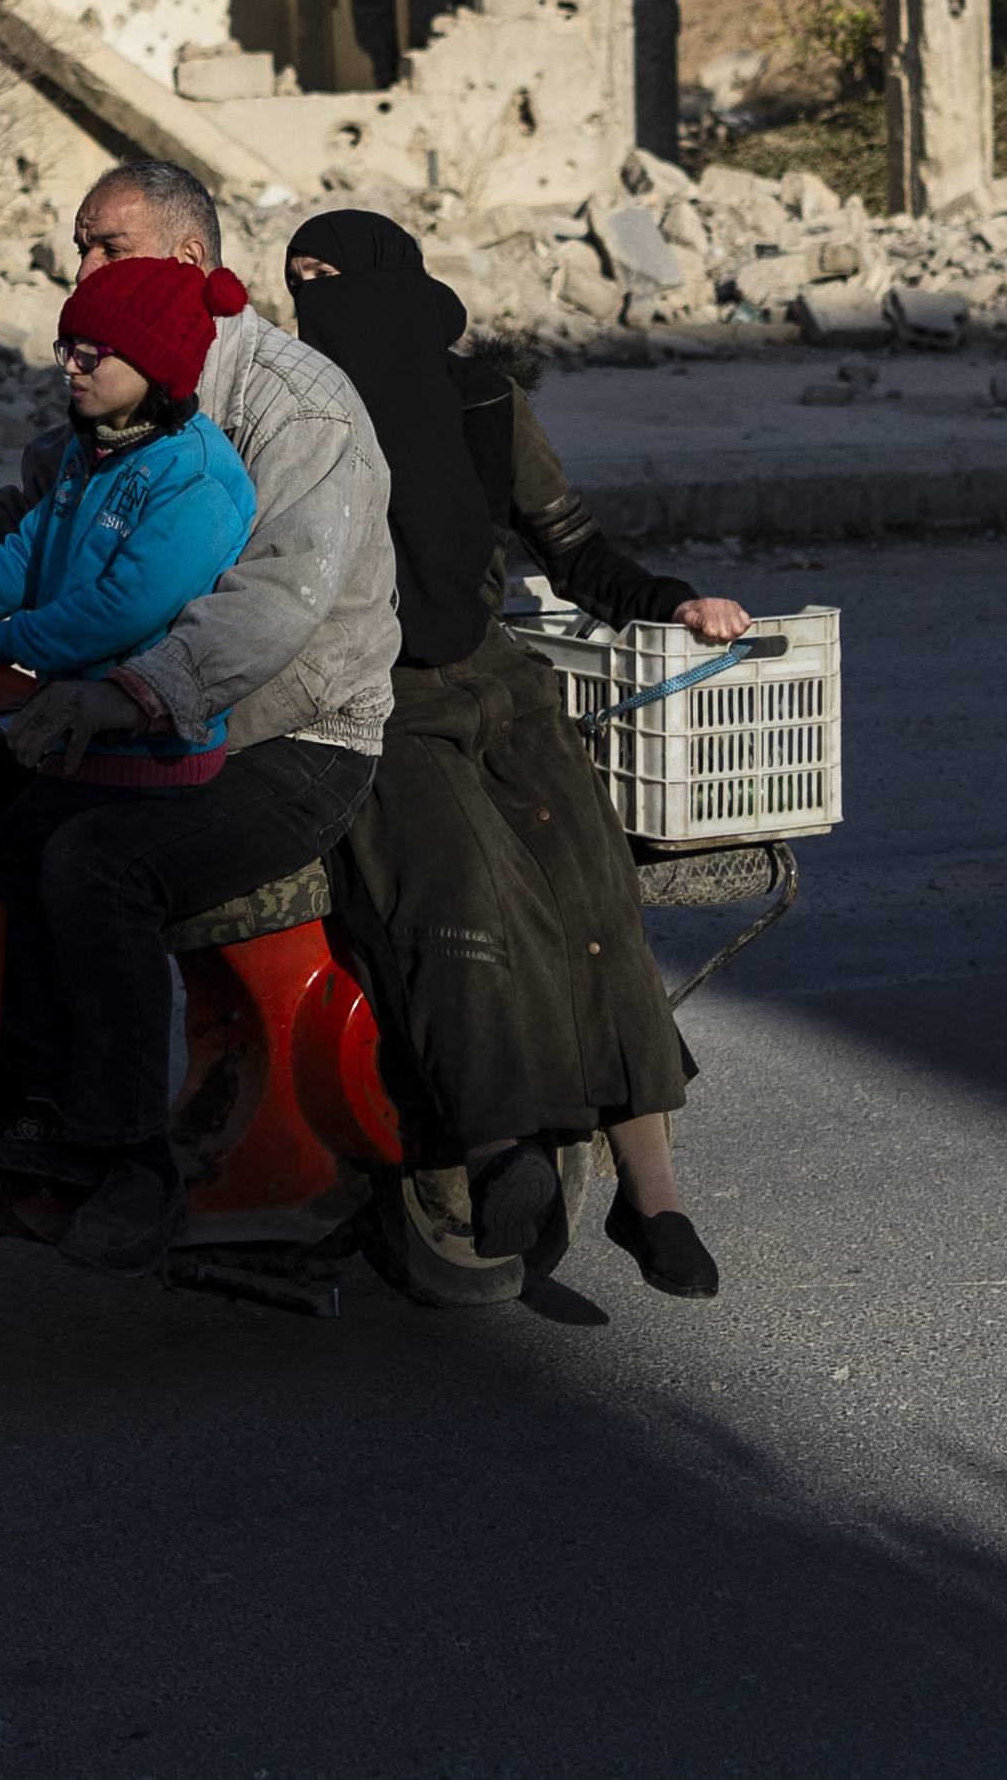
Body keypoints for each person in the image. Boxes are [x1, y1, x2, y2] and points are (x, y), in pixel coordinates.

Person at [0, 159, 398, 1263]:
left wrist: (126, 689)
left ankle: (126, 1150)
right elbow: (39, 532)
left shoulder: (294, 407)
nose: (78, 273)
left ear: (185, 261)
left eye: (103, 247)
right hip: (131, 716)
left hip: (292, 732)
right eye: (77, 249)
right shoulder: (114, 379)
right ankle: (9, 1089)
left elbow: (272, 605)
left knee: (94, 861)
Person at [282, 204, 750, 1302]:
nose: (314, 301)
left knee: (593, 889)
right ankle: (496, 1152)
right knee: (459, 894)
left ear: (392, 283)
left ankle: (654, 1193)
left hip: (500, 682)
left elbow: (573, 544)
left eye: (332, 275)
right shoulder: (296, 412)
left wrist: (677, 602)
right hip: (372, 694)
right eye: (297, 280)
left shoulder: (485, 400)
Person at [0, 254, 275, 1269]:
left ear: (153, 363)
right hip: (72, 739)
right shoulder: (91, 451)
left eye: (90, 349)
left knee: (62, 869)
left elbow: (126, 609)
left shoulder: (193, 476)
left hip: (154, 753)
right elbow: (26, 563)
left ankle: (118, 1142)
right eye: (67, 343)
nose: (68, 363)